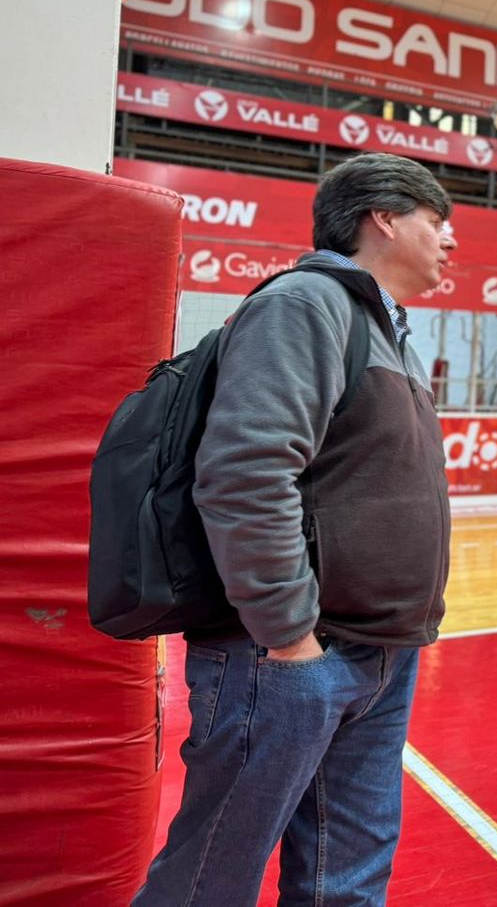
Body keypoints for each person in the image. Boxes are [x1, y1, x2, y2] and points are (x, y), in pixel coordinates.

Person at [136, 153, 458, 906]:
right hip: (289, 655)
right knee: (209, 879)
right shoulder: (306, 304)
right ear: (383, 217)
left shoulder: (393, 333)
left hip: (379, 654)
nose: (449, 242)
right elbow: (244, 471)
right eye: (436, 223)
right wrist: (289, 636)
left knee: (343, 880)